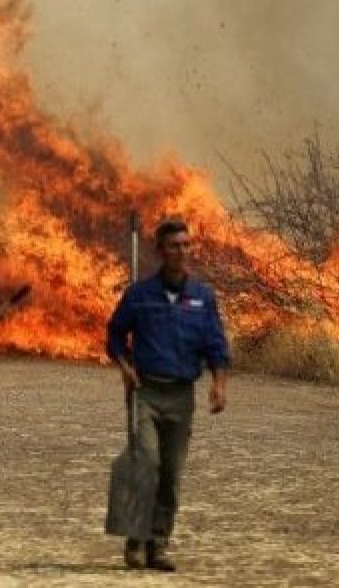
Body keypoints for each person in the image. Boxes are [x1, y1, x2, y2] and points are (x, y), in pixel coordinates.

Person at [106, 218, 229, 572]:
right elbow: (115, 335)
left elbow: (216, 345)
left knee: (171, 476)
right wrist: (124, 366)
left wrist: (219, 384)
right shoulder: (139, 296)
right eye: (174, 245)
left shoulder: (202, 298)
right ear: (160, 250)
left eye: (186, 245)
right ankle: (135, 540)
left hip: (181, 396)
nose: (182, 251)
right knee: (146, 462)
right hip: (145, 391)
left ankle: (157, 545)